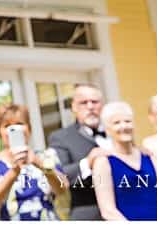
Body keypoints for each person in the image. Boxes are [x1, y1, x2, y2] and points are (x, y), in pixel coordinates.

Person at [92, 101, 157, 221]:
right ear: (107, 130)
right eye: (116, 123)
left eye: (127, 121)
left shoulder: (150, 158)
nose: (124, 126)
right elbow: (108, 211)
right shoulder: (103, 162)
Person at [0, 103, 68, 221]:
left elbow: (62, 187)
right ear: (0, 132)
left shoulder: (46, 156)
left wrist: (39, 164)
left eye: (19, 124)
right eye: (7, 126)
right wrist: (14, 171)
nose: (14, 129)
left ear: (29, 128)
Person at [47, 83, 109, 219]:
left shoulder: (115, 132)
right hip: (89, 215)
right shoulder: (60, 137)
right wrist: (87, 163)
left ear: (102, 105)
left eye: (94, 102)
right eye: (84, 102)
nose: (90, 106)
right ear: (74, 107)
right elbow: (60, 177)